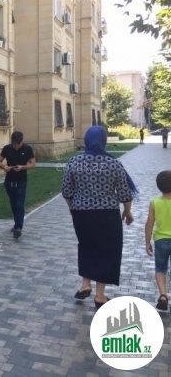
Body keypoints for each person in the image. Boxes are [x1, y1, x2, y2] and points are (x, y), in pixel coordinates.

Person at [62, 126, 138, 308]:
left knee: (86, 246)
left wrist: (73, 208)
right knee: (107, 251)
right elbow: (125, 194)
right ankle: (100, 296)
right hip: (107, 214)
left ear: (86, 140)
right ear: (104, 141)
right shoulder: (113, 163)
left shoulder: (74, 162)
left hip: (81, 214)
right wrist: (127, 212)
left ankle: (85, 284)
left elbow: (66, 191)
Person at [0, 131, 36, 239]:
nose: (16, 146)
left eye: (18, 143)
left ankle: (18, 227)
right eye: (14, 143)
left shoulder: (27, 149)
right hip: (9, 181)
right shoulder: (7, 148)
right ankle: (16, 224)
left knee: (19, 204)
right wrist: (4, 167)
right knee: (13, 204)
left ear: (22, 140)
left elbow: (33, 164)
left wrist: (22, 167)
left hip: (21, 181)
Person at [144, 170, 171, 312]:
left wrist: (147, 242)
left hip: (161, 241)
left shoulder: (155, 202)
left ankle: (163, 295)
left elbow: (149, 223)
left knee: (160, 268)